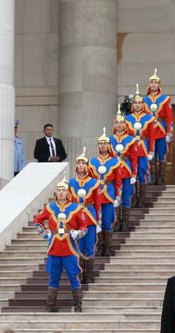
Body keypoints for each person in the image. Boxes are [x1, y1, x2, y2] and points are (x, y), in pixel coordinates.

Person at [32, 181, 93, 313]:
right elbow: (37, 220)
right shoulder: (50, 207)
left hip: (69, 247)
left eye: (63, 190)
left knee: (73, 276)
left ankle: (78, 305)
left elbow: (85, 227)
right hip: (54, 247)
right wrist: (44, 234)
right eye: (58, 190)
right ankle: (50, 305)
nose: (60, 192)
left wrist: (78, 233)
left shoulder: (76, 208)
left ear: (68, 193)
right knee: (53, 277)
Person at [89, 132, 128, 254]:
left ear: (109, 145)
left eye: (105, 143)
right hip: (96, 194)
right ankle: (100, 246)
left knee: (107, 220)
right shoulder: (91, 162)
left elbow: (118, 181)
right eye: (100, 143)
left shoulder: (115, 162)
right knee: (97, 220)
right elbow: (89, 181)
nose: (103, 146)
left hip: (109, 193)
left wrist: (117, 196)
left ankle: (108, 248)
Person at [68, 154, 101, 283]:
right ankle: (81, 274)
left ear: (87, 166)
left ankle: (90, 274)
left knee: (89, 245)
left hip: (90, 215)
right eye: (78, 163)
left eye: (83, 163)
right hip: (76, 215)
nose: (80, 165)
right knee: (79, 246)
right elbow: (69, 203)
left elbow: (97, 203)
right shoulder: (70, 183)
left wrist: (98, 220)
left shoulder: (94, 182)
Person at [143, 70, 174, 185]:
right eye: (151, 83)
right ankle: (151, 178)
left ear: (159, 85)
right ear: (149, 85)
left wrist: (169, 132)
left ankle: (160, 178)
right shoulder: (143, 100)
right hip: (147, 131)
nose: (153, 85)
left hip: (160, 129)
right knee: (150, 154)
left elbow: (170, 117)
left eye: (156, 83)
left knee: (161, 153)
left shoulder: (165, 99)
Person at [107, 112, 137, 230]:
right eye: (117, 123)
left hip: (126, 170)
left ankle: (124, 222)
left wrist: (134, 174)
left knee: (126, 195)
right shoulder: (108, 139)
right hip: (113, 172)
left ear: (125, 125)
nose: (119, 125)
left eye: (121, 123)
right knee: (114, 196)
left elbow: (134, 158)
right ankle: (115, 221)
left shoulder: (131, 139)